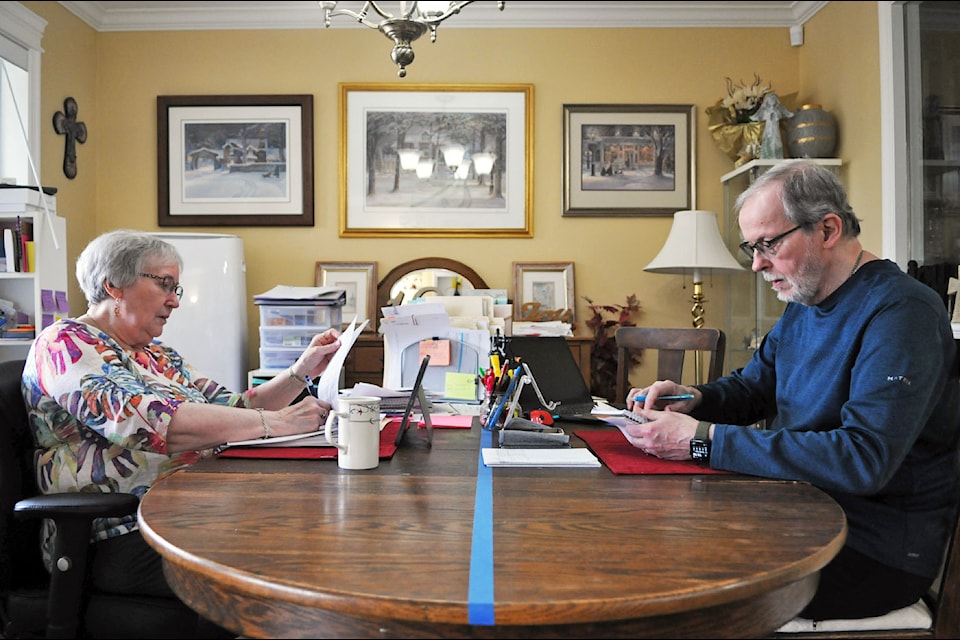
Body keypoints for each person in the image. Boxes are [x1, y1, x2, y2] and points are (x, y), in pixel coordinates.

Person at [624, 159, 960, 621]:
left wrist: (701, 439)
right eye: (752, 247)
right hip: (799, 510)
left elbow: (863, 459)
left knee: (674, 572)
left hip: (873, 548)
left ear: (827, 229)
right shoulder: (806, 297)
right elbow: (754, 389)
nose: (758, 263)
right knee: (645, 535)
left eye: (769, 244)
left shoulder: (903, 313)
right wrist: (694, 398)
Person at [21, 229, 342, 637]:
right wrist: (277, 424)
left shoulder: (157, 354)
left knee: (303, 525)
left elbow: (235, 409)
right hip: (119, 529)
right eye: (164, 284)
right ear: (113, 286)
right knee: (266, 557)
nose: (175, 299)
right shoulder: (65, 343)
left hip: (188, 511)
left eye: (177, 287)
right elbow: (146, 421)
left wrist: (300, 372)